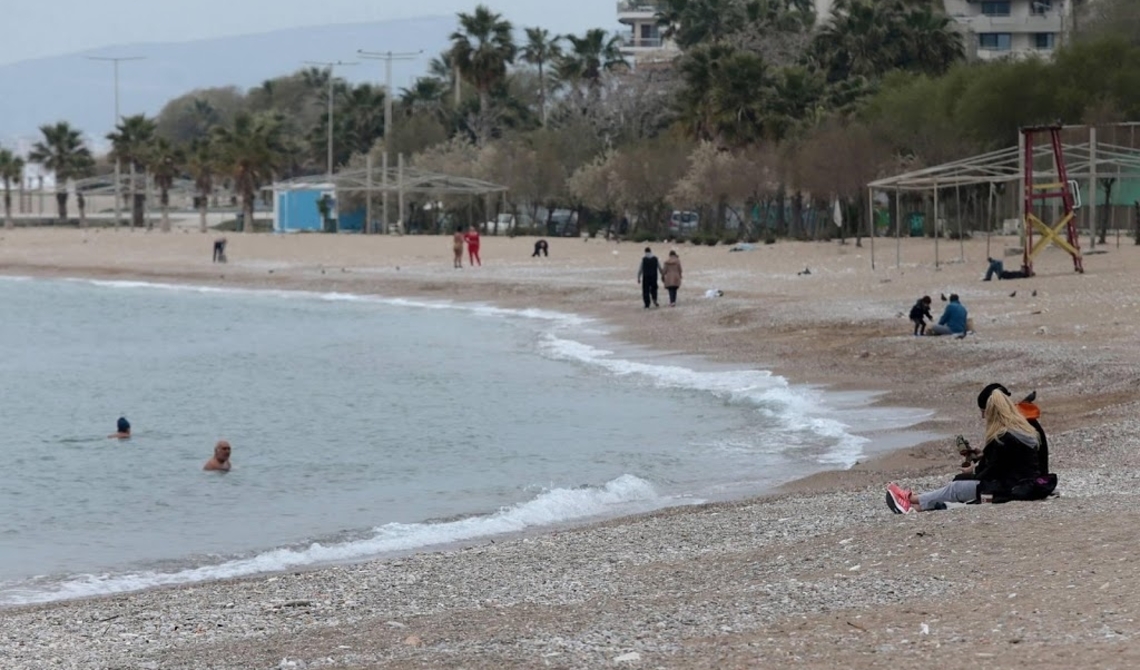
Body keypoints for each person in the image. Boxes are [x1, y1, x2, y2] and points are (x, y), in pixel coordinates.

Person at [885, 388, 1053, 513]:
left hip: (1012, 487)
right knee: (961, 484)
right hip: (1027, 483)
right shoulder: (1023, 429)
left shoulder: (1002, 437)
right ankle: (917, 505)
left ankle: (911, 499)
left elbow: (990, 471)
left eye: (984, 413)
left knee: (957, 487)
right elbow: (1008, 462)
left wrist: (973, 471)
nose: (983, 417)